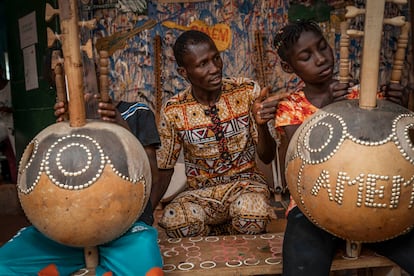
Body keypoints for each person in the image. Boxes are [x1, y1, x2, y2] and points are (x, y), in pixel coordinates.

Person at [267, 19, 414, 275]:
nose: (321, 59)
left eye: (323, 47)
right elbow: (298, 157)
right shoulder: (290, 107)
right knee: (302, 266)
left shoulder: (365, 95)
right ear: (288, 67)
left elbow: (391, 147)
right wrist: (329, 111)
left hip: (370, 201)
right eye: (306, 56)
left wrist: (400, 107)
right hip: (311, 206)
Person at [0, 96, 164, 276]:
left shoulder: (136, 112)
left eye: (85, 73)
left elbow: (152, 176)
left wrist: (121, 126)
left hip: (125, 232)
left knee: (146, 268)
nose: (80, 85)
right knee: (5, 262)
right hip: (64, 238)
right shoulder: (61, 123)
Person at [156, 30, 286, 238]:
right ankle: (220, 234)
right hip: (200, 195)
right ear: (184, 72)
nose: (215, 68)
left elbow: (267, 156)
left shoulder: (247, 91)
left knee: (252, 212)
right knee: (174, 220)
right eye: (202, 64)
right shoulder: (174, 110)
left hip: (246, 187)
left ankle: (234, 235)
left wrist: (261, 125)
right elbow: (165, 167)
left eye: (216, 58)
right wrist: (145, 214)